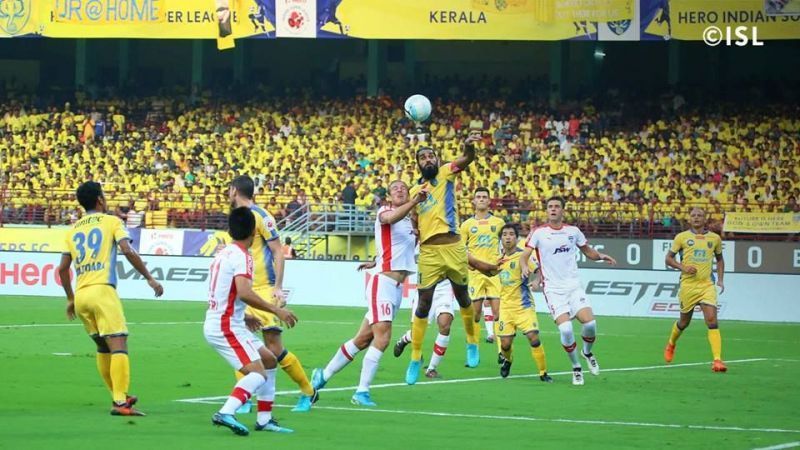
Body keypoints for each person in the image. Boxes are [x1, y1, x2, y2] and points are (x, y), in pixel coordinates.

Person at [311, 180, 426, 405]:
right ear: (389, 197)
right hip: (382, 282)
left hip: (395, 288)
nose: (400, 190)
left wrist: (375, 259)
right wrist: (414, 201)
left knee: (363, 340)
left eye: (404, 187)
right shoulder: (386, 211)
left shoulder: (411, 223)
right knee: (383, 338)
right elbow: (388, 220)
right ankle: (361, 392)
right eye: (395, 189)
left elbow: (396, 248)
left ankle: (322, 376)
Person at [57, 181, 164, 416]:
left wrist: (70, 298)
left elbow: (63, 269)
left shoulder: (73, 230)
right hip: (102, 291)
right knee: (118, 343)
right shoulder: (112, 222)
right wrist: (149, 278)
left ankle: (119, 395)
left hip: (82, 294)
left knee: (102, 346)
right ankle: (119, 402)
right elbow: (127, 249)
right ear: (100, 200)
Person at [204, 207, 298, 435]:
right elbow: (245, 293)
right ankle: (227, 412)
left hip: (228, 321)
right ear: (255, 231)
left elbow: (222, 289)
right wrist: (277, 310)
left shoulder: (223, 253)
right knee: (258, 374)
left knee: (269, 360)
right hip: (225, 326)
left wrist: (244, 315)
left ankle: (264, 420)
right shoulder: (242, 256)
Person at [228, 175, 317, 412]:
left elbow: (278, 251)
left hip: (264, 288)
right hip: (244, 290)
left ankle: (309, 391)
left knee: (274, 348)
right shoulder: (237, 218)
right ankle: (245, 395)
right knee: (241, 343)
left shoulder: (261, 216)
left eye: (229, 190)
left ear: (234, 190)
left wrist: (277, 287)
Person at [405, 130, 483, 385]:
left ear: (437, 161)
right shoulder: (415, 190)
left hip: (453, 247)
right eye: (423, 157)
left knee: (462, 296)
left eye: (431, 156)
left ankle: (472, 340)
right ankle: (416, 358)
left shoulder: (446, 172)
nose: (428, 160)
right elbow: (413, 221)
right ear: (417, 163)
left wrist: (468, 146)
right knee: (423, 305)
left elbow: (466, 159)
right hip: (428, 252)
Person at [521, 196, 617, 386]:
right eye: (550, 207)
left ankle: (587, 352)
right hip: (553, 290)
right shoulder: (538, 233)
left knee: (590, 324)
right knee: (565, 329)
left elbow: (588, 251)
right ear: (546, 211)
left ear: (563, 210)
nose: (553, 209)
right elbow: (525, 256)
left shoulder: (573, 232)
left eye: (557, 206)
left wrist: (600, 256)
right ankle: (576, 368)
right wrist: (525, 267)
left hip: (573, 286)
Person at [663, 207, 727, 372]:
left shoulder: (715, 238)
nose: (696, 217)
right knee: (684, 322)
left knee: (712, 320)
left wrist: (720, 280)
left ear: (705, 219)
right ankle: (671, 344)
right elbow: (668, 259)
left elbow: (720, 260)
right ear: (689, 219)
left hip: (707, 285)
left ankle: (717, 360)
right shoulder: (682, 237)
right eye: (693, 215)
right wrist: (683, 267)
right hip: (688, 286)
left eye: (700, 215)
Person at [495, 224, 552, 382]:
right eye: (505, 234)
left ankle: (543, 372)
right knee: (505, 345)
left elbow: (539, 270)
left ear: (517, 238)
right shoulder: (497, 259)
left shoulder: (524, 256)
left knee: (533, 337)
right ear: (501, 238)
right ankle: (508, 360)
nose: (508, 237)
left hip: (524, 306)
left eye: (511, 234)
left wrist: (535, 281)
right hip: (506, 308)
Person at [460, 187, 505, 351]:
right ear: (473, 201)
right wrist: (467, 264)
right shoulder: (466, 225)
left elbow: (508, 243)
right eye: (478, 196)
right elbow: (460, 249)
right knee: (476, 314)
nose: (481, 199)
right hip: (475, 274)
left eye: (484, 197)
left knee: (498, 313)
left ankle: (502, 352)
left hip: (494, 273)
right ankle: (473, 345)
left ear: (489, 201)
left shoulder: (499, 223)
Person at [393, 279, 456, 379]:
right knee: (417, 331)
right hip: (425, 287)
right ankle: (406, 338)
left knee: (445, 326)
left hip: (444, 288)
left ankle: (431, 368)